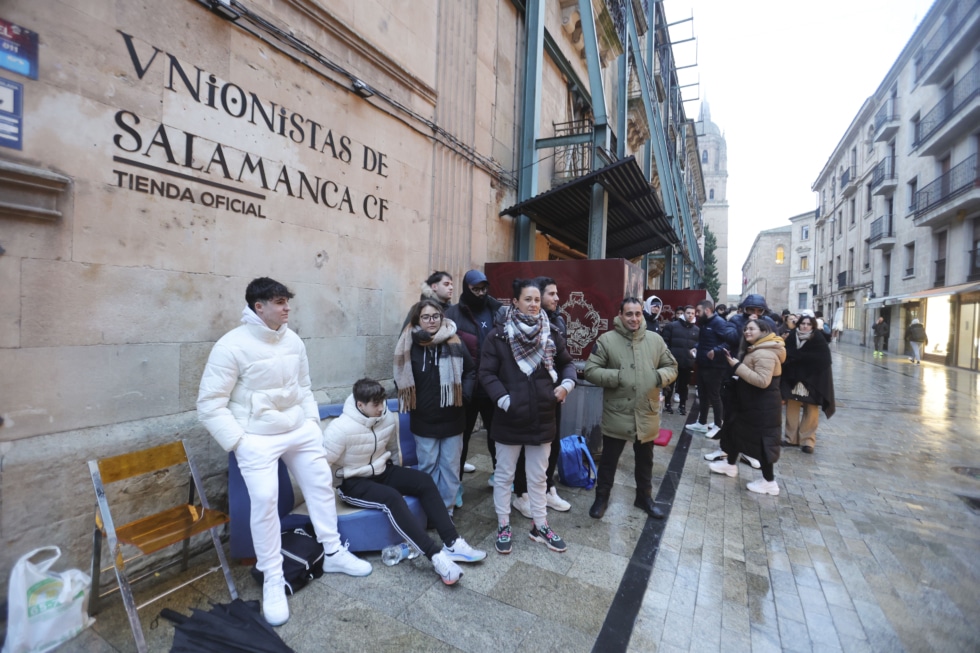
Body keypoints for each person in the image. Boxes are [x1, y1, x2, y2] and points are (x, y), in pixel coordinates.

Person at [197, 277, 371, 627]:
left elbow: (303, 387)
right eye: (279, 302)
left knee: (321, 484)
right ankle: (273, 576)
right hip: (255, 437)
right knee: (264, 500)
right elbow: (209, 404)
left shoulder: (292, 339)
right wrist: (240, 441)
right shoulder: (230, 345)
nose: (286, 307)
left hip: (298, 429)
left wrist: (310, 423)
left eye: (286, 301)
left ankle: (333, 551)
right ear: (258, 307)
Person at [324, 378, 486, 586]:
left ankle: (452, 543)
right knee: (391, 498)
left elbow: (390, 450)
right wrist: (336, 483)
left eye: (382, 402)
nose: (381, 408)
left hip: (382, 470)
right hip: (353, 481)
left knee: (424, 481)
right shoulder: (340, 429)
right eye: (376, 404)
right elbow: (320, 465)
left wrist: (393, 472)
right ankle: (436, 556)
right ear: (360, 405)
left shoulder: (386, 418)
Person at [479, 279, 576, 554]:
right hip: (509, 418)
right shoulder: (498, 336)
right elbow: (486, 373)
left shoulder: (551, 332)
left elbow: (567, 364)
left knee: (538, 477)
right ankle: (503, 524)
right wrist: (505, 399)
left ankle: (540, 525)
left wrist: (566, 385)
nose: (534, 304)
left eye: (536, 299)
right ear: (516, 302)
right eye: (528, 299)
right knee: (504, 476)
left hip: (543, 417)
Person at [584, 297, 678, 520]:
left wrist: (657, 377)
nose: (634, 318)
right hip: (617, 412)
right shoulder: (607, 340)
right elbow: (590, 370)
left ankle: (644, 497)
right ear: (620, 315)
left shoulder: (655, 340)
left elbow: (672, 366)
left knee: (645, 461)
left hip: (646, 411)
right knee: (609, 460)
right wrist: (617, 377)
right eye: (629, 314)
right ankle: (602, 497)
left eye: (637, 313)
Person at [393, 299, 475, 513]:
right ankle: (430, 510)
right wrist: (412, 400)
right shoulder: (407, 343)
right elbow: (399, 375)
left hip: (453, 417)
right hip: (423, 417)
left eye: (435, 316)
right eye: (426, 317)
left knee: (450, 467)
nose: (431, 321)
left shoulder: (455, 340)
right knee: (428, 468)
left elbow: (471, 371)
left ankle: (446, 509)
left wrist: (463, 395)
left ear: (442, 317)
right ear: (417, 319)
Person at [512, 276, 574, 517]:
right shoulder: (512, 326)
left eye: (553, 295)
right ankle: (522, 492)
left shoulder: (556, 322)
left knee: (552, 442)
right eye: (551, 294)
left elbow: (563, 360)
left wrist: (564, 385)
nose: (555, 299)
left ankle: (547, 488)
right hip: (523, 397)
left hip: (550, 396)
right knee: (521, 445)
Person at [707, 319, 786, 495]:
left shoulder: (765, 353)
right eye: (745, 329)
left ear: (763, 330)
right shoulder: (758, 349)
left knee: (763, 443)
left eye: (752, 329)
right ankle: (730, 465)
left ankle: (769, 482)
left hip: (762, 407)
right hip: (751, 404)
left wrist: (736, 366)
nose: (747, 332)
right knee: (736, 431)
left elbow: (762, 381)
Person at [445, 269, 503, 503]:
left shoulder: (497, 311)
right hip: (466, 388)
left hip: (492, 387)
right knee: (461, 439)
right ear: (466, 288)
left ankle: (500, 478)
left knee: (497, 436)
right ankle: (455, 484)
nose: (480, 293)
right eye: (475, 289)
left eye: (483, 288)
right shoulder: (452, 314)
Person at [781, 315, 836, 454]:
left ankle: (808, 441)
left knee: (811, 410)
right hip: (793, 378)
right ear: (798, 325)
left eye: (808, 324)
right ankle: (791, 438)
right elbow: (786, 355)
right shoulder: (792, 337)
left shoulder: (818, 339)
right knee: (792, 408)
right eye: (803, 323)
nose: (805, 326)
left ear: (812, 326)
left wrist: (800, 359)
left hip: (812, 379)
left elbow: (823, 360)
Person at [690, 299, 739, 435]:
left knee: (714, 395)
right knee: (703, 395)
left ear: (707, 310)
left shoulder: (720, 323)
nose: (697, 314)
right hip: (703, 364)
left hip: (715, 366)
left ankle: (718, 424)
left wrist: (716, 351)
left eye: (698, 311)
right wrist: (695, 348)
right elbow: (703, 341)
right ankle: (701, 422)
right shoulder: (705, 323)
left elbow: (729, 342)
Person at [660, 305, 699, 416]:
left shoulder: (697, 330)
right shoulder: (672, 326)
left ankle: (682, 406)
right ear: (683, 314)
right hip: (672, 363)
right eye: (688, 313)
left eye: (692, 313)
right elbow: (664, 342)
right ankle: (667, 404)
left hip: (687, 363)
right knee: (669, 385)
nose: (690, 315)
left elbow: (697, 346)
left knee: (683, 386)